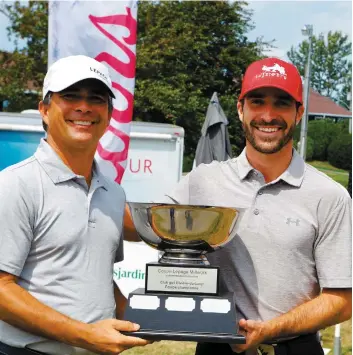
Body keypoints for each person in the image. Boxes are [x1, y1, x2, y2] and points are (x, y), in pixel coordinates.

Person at [164, 58, 352, 355]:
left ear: (299, 113)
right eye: (257, 101)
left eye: (281, 104)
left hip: (295, 348)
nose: (268, 115)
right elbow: (150, 225)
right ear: (241, 109)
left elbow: (342, 301)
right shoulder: (202, 181)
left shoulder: (330, 195)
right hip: (217, 348)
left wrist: (273, 329)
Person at [0, 55, 150, 355]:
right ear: (44, 110)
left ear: (108, 115)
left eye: (96, 98)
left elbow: (98, 277)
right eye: (70, 96)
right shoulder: (15, 184)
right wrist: (84, 335)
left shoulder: (113, 193)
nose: (84, 107)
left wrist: (145, 319)